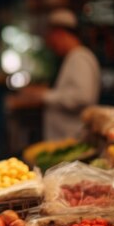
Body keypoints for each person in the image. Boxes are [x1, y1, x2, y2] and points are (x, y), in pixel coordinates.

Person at [9, 8, 101, 140]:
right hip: (67, 140)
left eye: (52, 38)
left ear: (60, 33)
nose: (52, 45)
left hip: (74, 139)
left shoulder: (79, 58)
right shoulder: (73, 57)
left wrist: (44, 96)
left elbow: (82, 96)